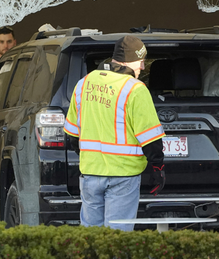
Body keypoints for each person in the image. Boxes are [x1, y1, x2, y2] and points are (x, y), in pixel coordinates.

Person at [64, 35, 166, 230]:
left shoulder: (83, 84)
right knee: (118, 238)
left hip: (89, 176)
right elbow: (150, 138)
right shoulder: (135, 89)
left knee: (91, 239)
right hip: (123, 177)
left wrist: (93, 158)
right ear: (130, 60)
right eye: (141, 62)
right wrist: (157, 168)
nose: (143, 68)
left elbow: (71, 137)